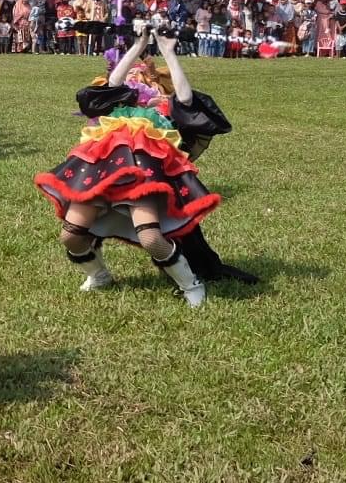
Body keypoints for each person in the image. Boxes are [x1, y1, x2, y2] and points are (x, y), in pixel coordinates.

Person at [34, 19, 245, 308]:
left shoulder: (164, 106)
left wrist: (169, 51)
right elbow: (112, 84)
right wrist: (137, 46)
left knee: (151, 239)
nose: (140, 74)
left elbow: (185, 97)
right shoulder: (118, 100)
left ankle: (189, 283)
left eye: (145, 71)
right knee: (71, 236)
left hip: (144, 171)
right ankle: (98, 275)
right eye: (134, 70)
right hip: (104, 169)